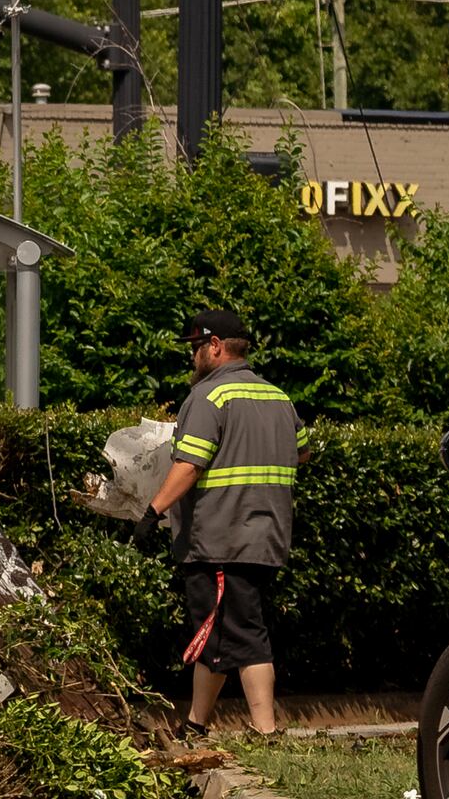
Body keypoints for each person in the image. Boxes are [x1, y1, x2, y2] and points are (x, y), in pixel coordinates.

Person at [146, 306, 297, 737]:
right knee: (215, 635)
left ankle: (266, 732)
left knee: (243, 632)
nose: (192, 356)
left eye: (196, 347)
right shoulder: (277, 396)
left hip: (220, 539)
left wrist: (151, 511)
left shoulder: (208, 397)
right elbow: (301, 450)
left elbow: (189, 465)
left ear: (215, 347)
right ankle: (195, 724)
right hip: (265, 537)